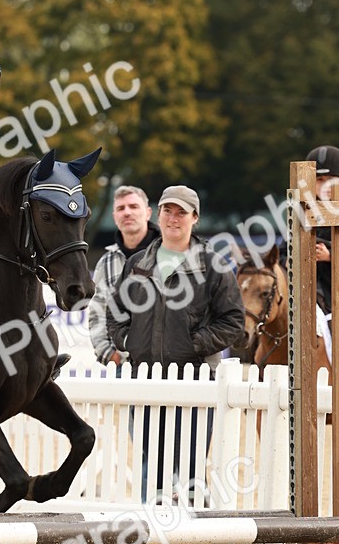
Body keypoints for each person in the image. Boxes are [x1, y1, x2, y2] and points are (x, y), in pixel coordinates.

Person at [108, 185, 245, 503]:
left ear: (195, 218)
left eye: (181, 212)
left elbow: (234, 322)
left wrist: (193, 344)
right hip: (144, 381)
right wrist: (129, 342)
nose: (173, 218)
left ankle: (194, 540)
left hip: (195, 383)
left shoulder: (214, 267)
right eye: (167, 210)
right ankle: (152, 541)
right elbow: (115, 315)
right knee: (153, 466)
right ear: (157, 214)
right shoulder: (137, 264)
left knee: (188, 470)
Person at [87, 185, 159, 364]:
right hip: (122, 365)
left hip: (167, 362)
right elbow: (97, 313)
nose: (127, 212)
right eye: (120, 208)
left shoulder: (167, 254)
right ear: (114, 217)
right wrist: (109, 354)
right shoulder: (106, 263)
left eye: (133, 206)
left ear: (148, 213)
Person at [306, 144, 339, 314]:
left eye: (331, 179)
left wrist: (331, 256)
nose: (325, 186)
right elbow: (284, 250)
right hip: (313, 296)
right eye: (319, 180)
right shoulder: (303, 213)